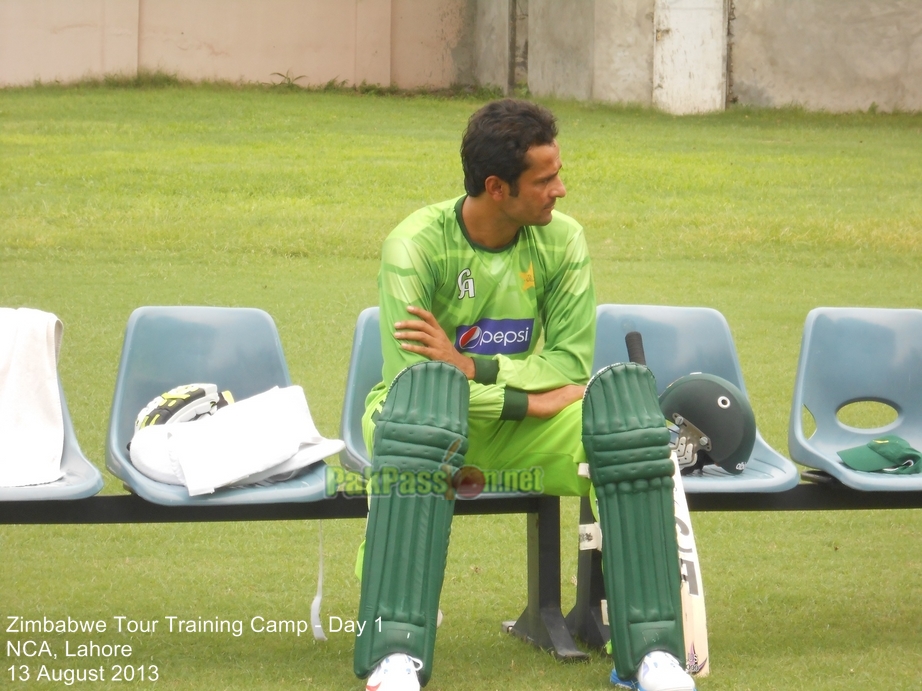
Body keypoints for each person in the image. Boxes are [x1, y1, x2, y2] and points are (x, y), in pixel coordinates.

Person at [353, 99, 695, 691]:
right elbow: (419, 382)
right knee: (420, 422)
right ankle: (393, 653)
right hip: (427, 422)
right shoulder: (413, 245)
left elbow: (568, 364)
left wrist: (474, 366)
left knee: (625, 428)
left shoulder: (563, 242)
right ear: (496, 187)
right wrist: (526, 398)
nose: (559, 190)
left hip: (517, 423)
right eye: (544, 179)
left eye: (557, 174)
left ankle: (650, 654)